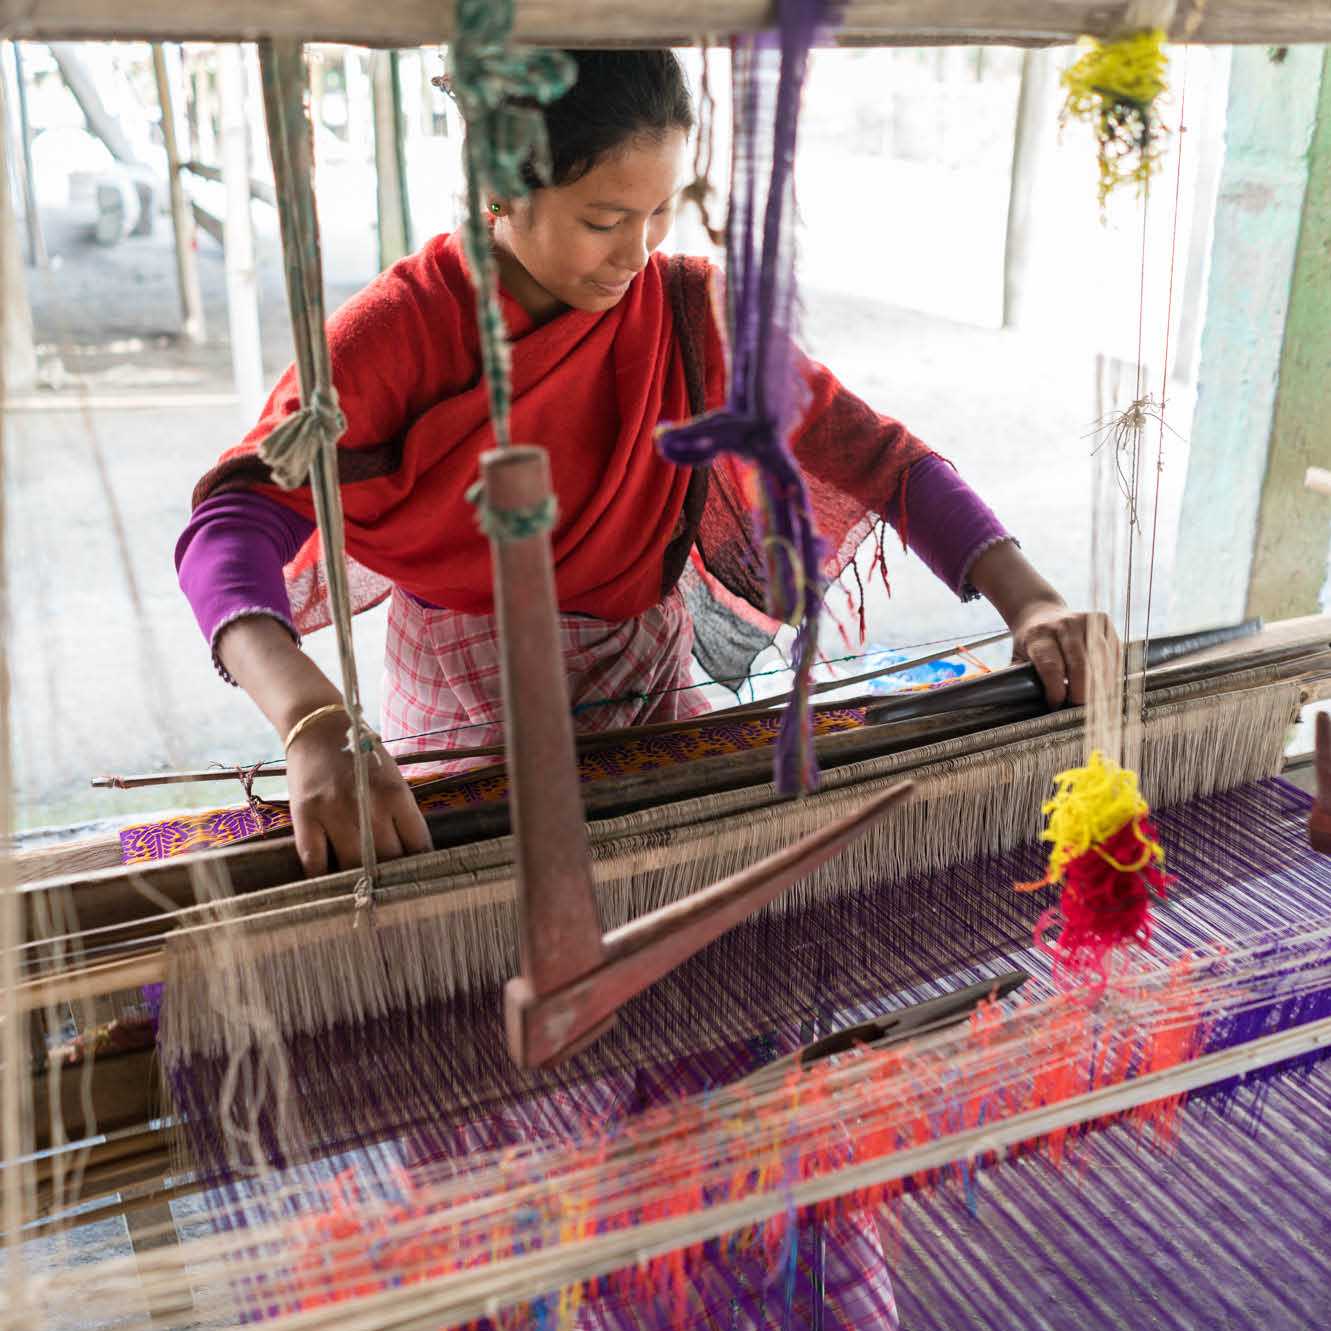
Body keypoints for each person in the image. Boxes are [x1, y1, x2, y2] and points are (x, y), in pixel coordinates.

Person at [178, 49, 1108, 884]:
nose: (639, 250)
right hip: (464, 735)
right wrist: (313, 720)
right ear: (499, 187)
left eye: (660, 210)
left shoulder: (687, 315)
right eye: (604, 219)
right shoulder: (400, 333)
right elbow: (234, 523)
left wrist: (1028, 597)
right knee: (479, 943)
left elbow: (873, 452)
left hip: (651, 712)